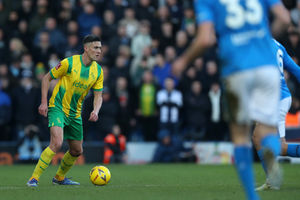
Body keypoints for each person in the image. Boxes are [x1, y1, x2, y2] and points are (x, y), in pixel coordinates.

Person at [172, 1, 290, 200]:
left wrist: (183, 61)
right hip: (267, 69)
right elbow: (285, 19)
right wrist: (263, 40)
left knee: (240, 135)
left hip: (237, 69)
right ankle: (271, 152)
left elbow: (205, 39)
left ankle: (252, 197)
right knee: (269, 130)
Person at [27, 35, 104, 187]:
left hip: (75, 114)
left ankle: (59, 178)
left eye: (100, 48)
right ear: (86, 48)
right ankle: (34, 178)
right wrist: (43, 103)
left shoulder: (98, 71)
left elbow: (98, 96)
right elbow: (46, 78)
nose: (99, 51)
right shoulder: (69, 63)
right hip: (58, 107)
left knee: (77, 151)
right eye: (95, 47)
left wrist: (96, 110)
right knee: (56, 142)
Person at [254, 39, 300, 191]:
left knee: (274, 144)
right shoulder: (278, 45)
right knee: (258, 138)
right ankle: (271, 181)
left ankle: (272, 181)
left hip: (274, 99)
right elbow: (296, 70)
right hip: (279, 97)